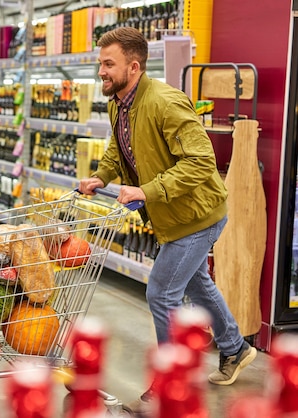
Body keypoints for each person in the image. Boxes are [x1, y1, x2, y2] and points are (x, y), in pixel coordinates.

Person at [78, 27, 257, 413]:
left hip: (196, 214)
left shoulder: (165, 102)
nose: (101, 71)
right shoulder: (118, 103)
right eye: (100, 64)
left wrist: (147, 191)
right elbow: (118, 148)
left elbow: (201, 162)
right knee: (197, 283)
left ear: (134, 65)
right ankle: (235, 349)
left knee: (161, 291)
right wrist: (102, 177)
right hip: (172, 216)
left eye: (109, 64)